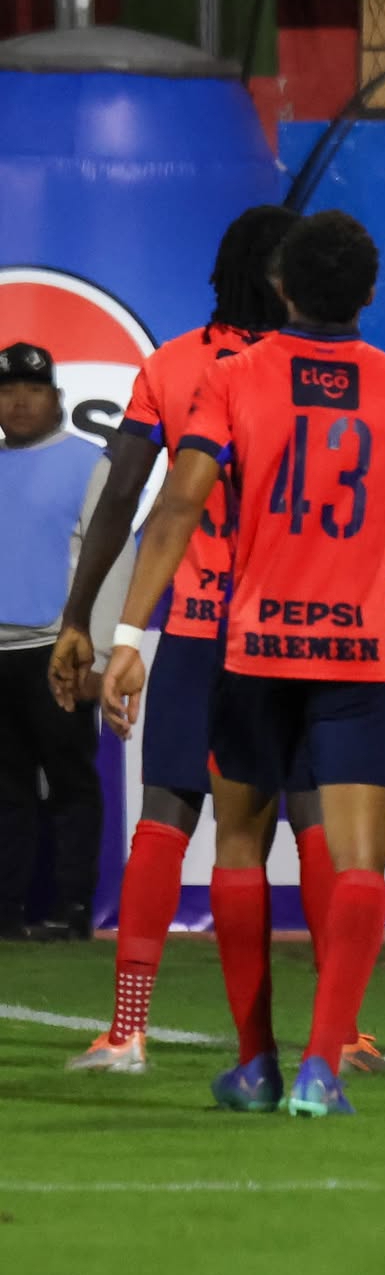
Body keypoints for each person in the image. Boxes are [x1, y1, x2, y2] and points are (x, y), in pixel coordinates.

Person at [99, 209, 385, 1115]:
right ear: (370, 290)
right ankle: (324, 1062)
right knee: (356, 853)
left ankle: (253, 1061)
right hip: (356, 653)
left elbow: (177, 504)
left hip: (250, 647)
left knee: (236, 844)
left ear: (284, 286)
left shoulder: (228, 376)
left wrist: (130, 635)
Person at [52, 206, 385, 1075]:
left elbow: (126, 497)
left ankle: (127, 1028)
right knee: (315, 821)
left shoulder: (173, 365)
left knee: (167, 815)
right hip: (298, 633)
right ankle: (341, 1032)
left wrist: (83, 618)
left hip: (200, 627)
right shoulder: (333, 375)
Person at [0, 342, 134, 941]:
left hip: (57, 651)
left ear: (56, 398)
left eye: (32, 390)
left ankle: (72, 908)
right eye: (7, 391)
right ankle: (6, 910)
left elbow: (114, 561)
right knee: (5, 787)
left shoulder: (88, 464)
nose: (19, 401)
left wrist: (97, 653)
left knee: (70, 780)